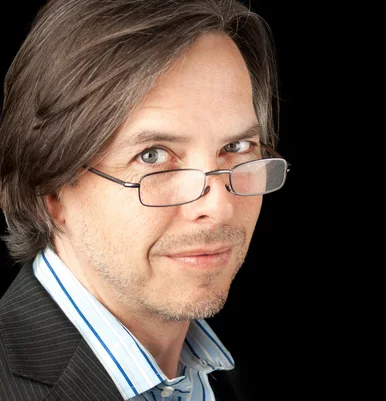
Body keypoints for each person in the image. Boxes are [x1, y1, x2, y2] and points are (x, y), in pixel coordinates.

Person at [0, 0, 290, 400]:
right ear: (52, 189)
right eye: (153, 156)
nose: (219, 206)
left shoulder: (231, 377)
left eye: (237, 146)